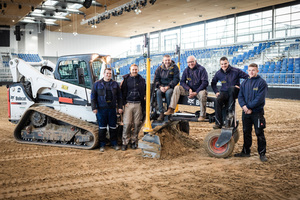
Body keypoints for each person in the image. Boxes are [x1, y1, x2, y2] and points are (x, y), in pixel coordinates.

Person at [235, 63, 268, 162]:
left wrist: (249, 107)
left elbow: (260, 99)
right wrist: (244, 107)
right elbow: (240, 96)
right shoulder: (244, 83)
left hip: (257, 112)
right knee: (246, 132)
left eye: (253, 70)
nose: (251, 72)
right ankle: (246, 152)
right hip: (245, 112)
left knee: (259, 133)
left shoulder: (262, 83)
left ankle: (262, 154)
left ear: (257, 71)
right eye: (249, 70)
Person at [164, 55, 208, 121]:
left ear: (195, 61)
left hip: (199, 90)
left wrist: (196, 92)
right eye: (189, 62)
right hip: (189, 90)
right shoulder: (186, 70)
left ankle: (202, 115)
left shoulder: (202, 70)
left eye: (192, 62)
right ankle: (171, 109)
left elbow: (205, 83)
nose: (190, 64)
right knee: (177, 88)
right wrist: (189, 89)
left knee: (202, 94)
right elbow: (182, 82)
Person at [211, 57, 249, 129]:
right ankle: (218, 123)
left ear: (228, 63)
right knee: (217, 100)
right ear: (220, 64)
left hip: (235, 92)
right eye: (222, 64)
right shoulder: (218, 73)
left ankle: (230, 112)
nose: (224, 65)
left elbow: (247, 77)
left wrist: (241, 87)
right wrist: (216, 91)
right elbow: (213, 83)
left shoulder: (236, 71)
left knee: (231, 89)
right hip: (224, 92)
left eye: (225, 63)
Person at [91, 68, 123, 152]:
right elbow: (93, 97)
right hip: (101, 110)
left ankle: (114, 144)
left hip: (112, 109)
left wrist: (120, 107)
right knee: (102, 128)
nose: (108, 75)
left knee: (113, 127)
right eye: (107, 73)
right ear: (103, 74)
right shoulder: (97, 84)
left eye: (110, 73)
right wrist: (94, 107)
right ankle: (102, 145)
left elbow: (120, 97)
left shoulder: (115, 84)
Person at [120, 64, 146, 151]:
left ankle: (134, 141)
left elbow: (144, 92)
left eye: (136, 69)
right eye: (133, 69)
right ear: (130, 70)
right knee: (127, 124)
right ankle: (125, 142)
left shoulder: (142, 80)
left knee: (136, 124)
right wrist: (124, 103)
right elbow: (122, 92)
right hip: (129, 104)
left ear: (138, 70)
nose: (134, 71)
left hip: (138, 104)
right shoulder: (126, 80)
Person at [154, 54, 180, 121]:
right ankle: (161, 112)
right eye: (166, 60)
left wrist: (168, 86)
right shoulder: (159, 69)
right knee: (158, 92)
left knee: (168, 93)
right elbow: (156, 79)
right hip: (161, 87)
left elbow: (176, 79)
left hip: (170, 87)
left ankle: (169, 111)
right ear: (163, 61)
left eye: (168, 60)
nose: (167, 61)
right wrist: (160, 86)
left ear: (171, 60)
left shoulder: (175, 68)